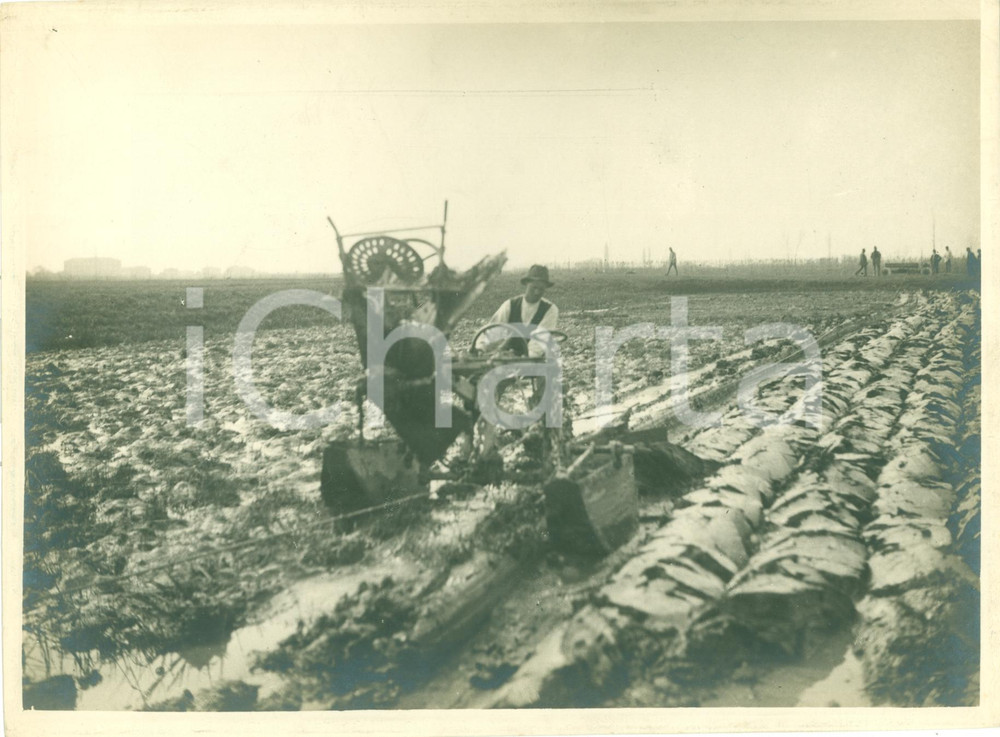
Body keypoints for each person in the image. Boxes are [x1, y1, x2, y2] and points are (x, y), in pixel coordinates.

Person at [484, 264, 559, 358]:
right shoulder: (510, 305)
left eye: (541, 289)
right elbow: (493, 331)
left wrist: (525, 358)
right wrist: (483, 349)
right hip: (505, 356)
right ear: (527, 284)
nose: (537, 292)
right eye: (534, 287)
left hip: (533, 359)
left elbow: (540, 342)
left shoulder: (550, 310)